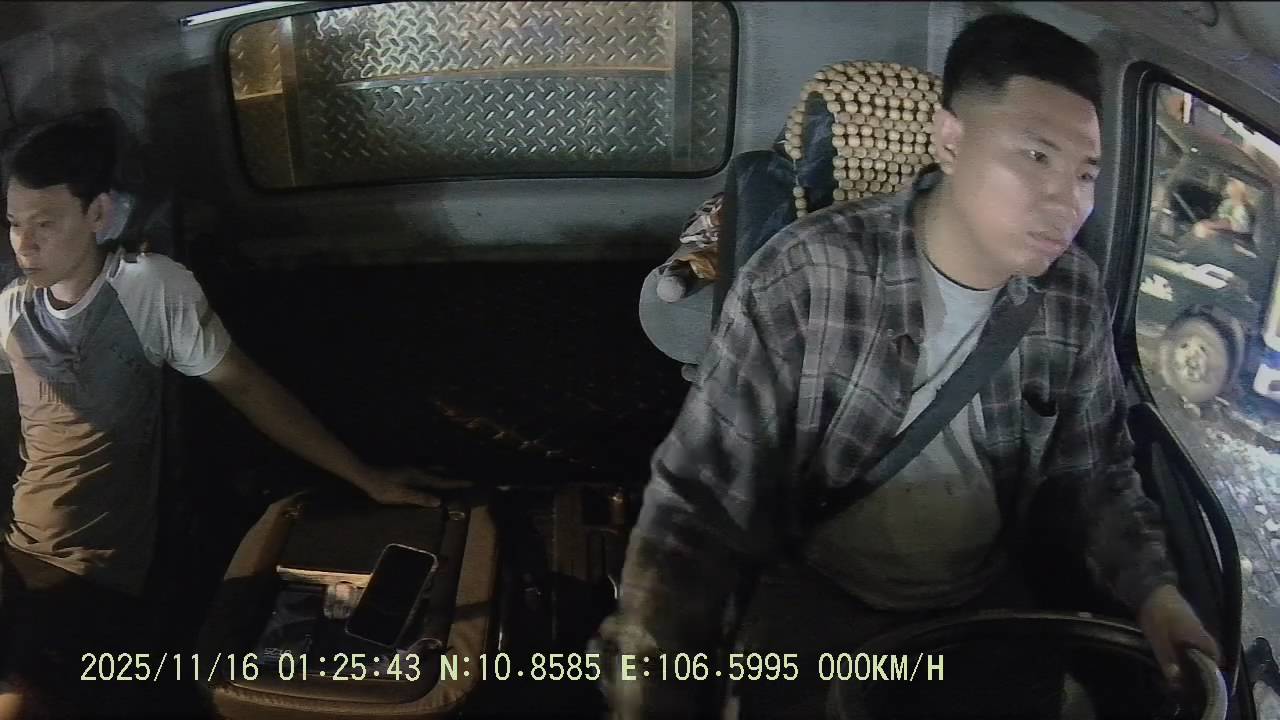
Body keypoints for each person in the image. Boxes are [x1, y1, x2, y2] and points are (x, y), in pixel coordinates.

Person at [595, 12, 1221, 719]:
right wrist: (657, 678)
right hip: (818, 599)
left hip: (984, 608)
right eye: (1036, 156)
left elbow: (1095, 474)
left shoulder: (1070, 295)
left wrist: (1157, 595)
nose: (1067, 201)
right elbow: (703, 500)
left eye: (1086, 173)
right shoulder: (808, 274)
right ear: (951, 141)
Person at [0, 117, 462, 718]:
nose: (24, 245)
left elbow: (247, 387)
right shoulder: (12, 309)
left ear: (98, 215)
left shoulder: (147, 290)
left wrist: (365, 478)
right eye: (13, 223)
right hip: (18, 550)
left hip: (91, 570)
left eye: (45, 224)